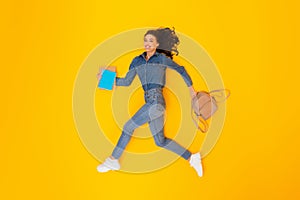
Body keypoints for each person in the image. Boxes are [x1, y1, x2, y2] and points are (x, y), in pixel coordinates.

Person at [96, 27, 203, 177]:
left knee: (128, 127)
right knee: (160, 141)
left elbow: (182, 70)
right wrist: (104, 78)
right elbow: (126, 82)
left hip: (156, 101)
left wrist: (192, 91)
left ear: (157, 44)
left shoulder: (161, 59)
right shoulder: (136, 61)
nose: (147, 43)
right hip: (150, 101)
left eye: (151, 41)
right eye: (145, 40)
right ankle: (192, 157)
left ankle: (113, 159)